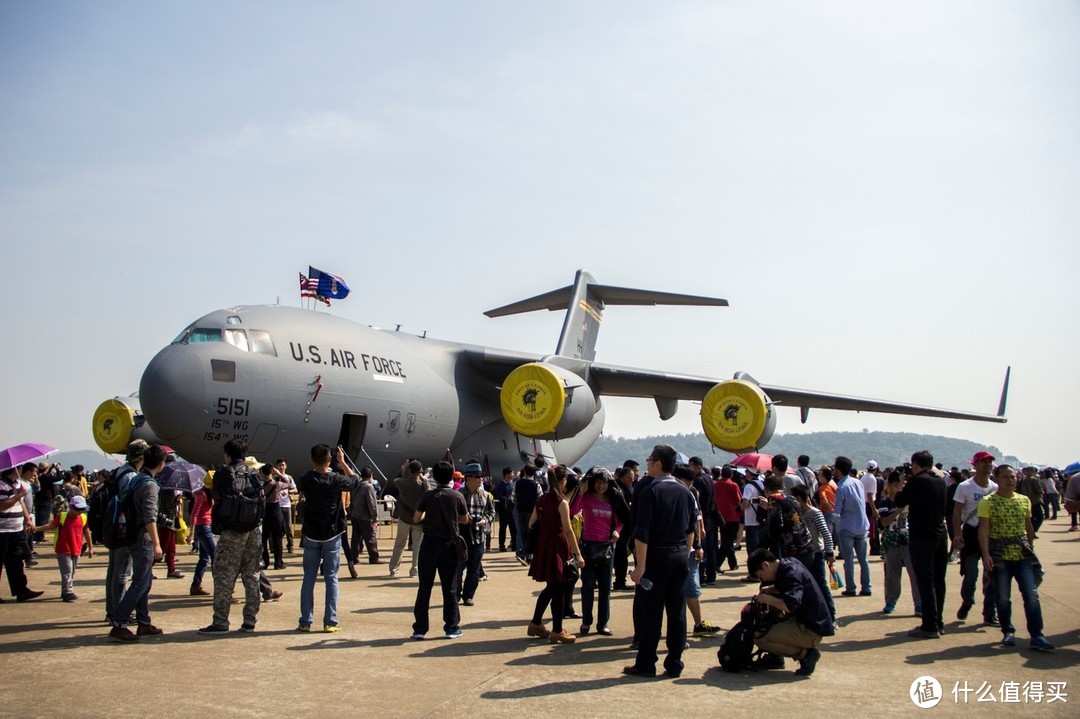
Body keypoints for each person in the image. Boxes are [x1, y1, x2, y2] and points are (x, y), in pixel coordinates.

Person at [623, 445, 696, 678]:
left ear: (657, 463)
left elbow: (642, 533)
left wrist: (640, 567)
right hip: (679, 556)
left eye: (649, 460)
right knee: (677, 612)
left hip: (656, 556)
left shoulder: (649, 492)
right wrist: (685, 553)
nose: (647, 464)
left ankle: (646, 663)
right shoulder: (686, 492)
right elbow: (691, 529)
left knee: (651, 613)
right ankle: (674, 663)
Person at [978, 465, 1054, 651]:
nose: (1010, 480)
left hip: (1022, 555)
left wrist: (1030, 547)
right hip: (1000, 556)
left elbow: (1028, 527)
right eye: (1005, 477)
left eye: (1012, 477)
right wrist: (986, 554)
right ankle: (1008, 631)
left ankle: (1037, 635)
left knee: (1031, 595)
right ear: (997, 479)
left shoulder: (1024, 500)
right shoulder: (988, 502)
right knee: (1003, 597)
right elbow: (984, 529)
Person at [294, 444, 361, 633]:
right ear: (329, 459)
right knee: (331, 578)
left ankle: (305, 620)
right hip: (332, 532)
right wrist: (343, 462)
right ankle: (330, 621)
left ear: (312, 459)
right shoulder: (336, 479)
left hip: (311, 532)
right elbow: (355, 481)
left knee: (309, 577)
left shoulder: (305, 478)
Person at [109, 444, 166, 642]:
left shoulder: (135, 479)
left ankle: (143, 621)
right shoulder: (149, 484)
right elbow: (149, 517)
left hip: (130, 534)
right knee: (141, 582)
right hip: (143, 537)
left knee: (144, 581)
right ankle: (119, 622)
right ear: (161, 464)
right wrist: (157, 543)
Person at [747, 548, 835, 676]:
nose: (763, 579)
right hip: (807, 622)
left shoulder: (791, 573)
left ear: (765, 565)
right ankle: (775, 657)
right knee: (769, 623)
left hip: (810, 630)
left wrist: (767, 598)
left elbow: (790, 605)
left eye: (761, 575)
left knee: (760, 637)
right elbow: (792, 588)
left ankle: (807, 655)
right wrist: (772, 589)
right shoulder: (788, 564)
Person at [526, 462, 584, 645]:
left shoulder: (542, 499)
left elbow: (530, 523)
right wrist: (578, 554)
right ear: (562, 480)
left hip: (544, 545)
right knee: (557, 589)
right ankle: (557, 630)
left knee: (552, 587)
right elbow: (568, 530)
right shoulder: (562, 503)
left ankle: (537, 623)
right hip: (558, 547)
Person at [411, 461, 469, 640]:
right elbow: (465, 519)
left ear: (434, 477)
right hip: (449, 546)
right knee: (449, 588)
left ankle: (420, 628)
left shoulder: (427, 496)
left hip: (429, 545)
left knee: (424, 588)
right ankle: (451, 627)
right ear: (452, 476)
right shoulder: (457, 496)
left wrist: (430, 517)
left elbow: (416, 518)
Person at [895, 450, 949, 639]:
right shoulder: (941, 481)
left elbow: (899, 500)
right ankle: (938, 621)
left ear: (915, 464)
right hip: (941, 535)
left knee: (925, 582)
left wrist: (902, 481)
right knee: (939, 581)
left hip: (922, 537)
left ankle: (929, 625)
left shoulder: (917, 482)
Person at [571, 467, 622, 636]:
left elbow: (621, 520)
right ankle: (586, 621)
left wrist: (617, 531)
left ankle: (603, 624)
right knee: (588, 586)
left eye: (605, 483)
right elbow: (572, 511)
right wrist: (580, 493)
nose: (601, 486)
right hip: (588, 546)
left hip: (606, 547)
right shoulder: (586, 498)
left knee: (605, 588)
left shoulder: (612, 500)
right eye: (599, 482)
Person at [672, 464, 721, 638]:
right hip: (674, 550)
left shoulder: (691, 493)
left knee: (692, 587)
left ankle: (698, 624)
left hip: (689, 551)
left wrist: (698, 546)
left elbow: (696, 520)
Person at [952, 450, 998, 624]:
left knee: (992, 575)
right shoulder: (965, 487)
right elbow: (957, 511)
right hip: (971, 534)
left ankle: (989, 611)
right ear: (975, 465)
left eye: (990, 462)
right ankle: (967, 600)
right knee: (971, 573)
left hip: (990, 535)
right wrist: (957, 534)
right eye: (983, 462)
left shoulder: (995, 488)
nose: (987, 465)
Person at [105, 439, 148, 624]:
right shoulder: (131, 476)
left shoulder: (119, 471)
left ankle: (112, 609)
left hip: (114, 525)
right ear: (141, 457)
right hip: (124, 528)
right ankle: (119, 610)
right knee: (122, 572)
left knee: (114, 570)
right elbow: (130, 503)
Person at [877, 472, 920, 616]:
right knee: (892, 574)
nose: (897, 488)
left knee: (914, 572)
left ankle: (919, 604)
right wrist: (898, 512)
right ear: (889, 486)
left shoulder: (907, 500)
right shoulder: (884, 503)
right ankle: (891, 601)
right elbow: (883, 522)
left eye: (900, 485)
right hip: (891, 539)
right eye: (895, 485)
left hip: (907, 538)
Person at [791, 484, 836, 622]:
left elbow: (826, 534)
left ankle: (831, 615)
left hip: (816, 553)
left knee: (821, 584)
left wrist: (829, 552)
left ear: (799, 498)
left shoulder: (815, 513)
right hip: (802, 554)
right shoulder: (796, 515)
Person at [0, 466, 43, 602]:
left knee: (17, 561)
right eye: (20, 467)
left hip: (17, 529)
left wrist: (28, 519)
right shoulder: (1, 484)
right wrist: (18, 494)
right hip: (3, 530)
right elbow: (1, 505)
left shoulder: (17, 484)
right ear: (14, 469)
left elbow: (21, 503)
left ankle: (21, 590)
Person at [832, 456, 871, 597]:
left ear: (838, 469)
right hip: (862, 525)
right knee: (863, 560)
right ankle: (866, 587)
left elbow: (837, 510)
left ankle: (851, 587)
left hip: (847, 526)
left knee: (848, 560)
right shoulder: (857, 482)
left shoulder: (841, 487)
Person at [457, 463, 494, 606]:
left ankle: (468, 596)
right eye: (477, 477)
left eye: (481, 477)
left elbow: (491, 513)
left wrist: (484, 521)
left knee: (474, 570)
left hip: (478, 537)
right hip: (461, 536)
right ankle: (456, 595)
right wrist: (464, 519)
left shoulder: (485, 495)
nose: (480, 480)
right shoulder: (458, 494)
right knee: (458, 568)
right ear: (468, 478)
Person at [385, 460, 430, 578]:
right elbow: (429, 490)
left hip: (404, 517)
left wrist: (402, 468)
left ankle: (394, 569)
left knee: (399, 544)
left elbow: (395, 479)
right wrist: (422, 476)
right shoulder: (422, 485)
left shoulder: (402, 482)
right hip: (418, 517)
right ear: (420, 471)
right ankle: (415, 570)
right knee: (417, 546)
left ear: (409, 470)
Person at [50, 494, 93, 601]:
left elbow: (87, 533)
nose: (79, 511)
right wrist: (36, 528)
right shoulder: (63, 516)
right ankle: (67, 592)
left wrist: (91, 547)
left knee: (71, 571)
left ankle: (65, 590)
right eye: (77, 509)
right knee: (67, 571)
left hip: (76, 549)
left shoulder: (83, 518)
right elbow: (51, 526)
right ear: (71, 506)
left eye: (82, 509)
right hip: (63, 548)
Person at [610, 464, 636, 590]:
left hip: (625, 525)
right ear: (625, 477)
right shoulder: (616, 488)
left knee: (622, 554)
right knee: (620, 554)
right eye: (632, 477)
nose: (633, 479)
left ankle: (620, 580)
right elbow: (621, 508)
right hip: (619, 526)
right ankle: (619, 581)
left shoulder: (627, 487)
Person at [713, 464, 742, 573]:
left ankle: (733, 563)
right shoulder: (733, 485)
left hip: (720, 516)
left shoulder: (716, 485)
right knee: (727, 542)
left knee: (726, 540)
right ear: (731, 474)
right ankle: (717, 563)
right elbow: (738, 501)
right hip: (732, 516)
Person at [189, 472, 214, 596]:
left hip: (205, 527)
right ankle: (223, 589)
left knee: (204, 558)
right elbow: (195, 513)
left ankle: (195, 585)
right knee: (215, 557)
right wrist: (191, 533)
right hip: (203, 528)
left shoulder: (208, 494)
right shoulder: (202, 494)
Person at [349, 466, 381, 564]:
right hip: (365, 516)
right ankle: (374, 557)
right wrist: (375, 517)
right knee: (370, 537)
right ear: (370, 475)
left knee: (355, 538)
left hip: (355, 514)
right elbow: (372, 503)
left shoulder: (357, 485)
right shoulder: (369, 486)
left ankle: (354, 557)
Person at [513, 465, 541, 565]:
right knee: (531, 534)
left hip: (520, 511)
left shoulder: (517, 483)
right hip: (532, 511)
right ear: (534, 473)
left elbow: (513, 498)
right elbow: (540, 498)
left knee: (522, 533)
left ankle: (523, 554)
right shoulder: (536, 484)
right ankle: (527, 555)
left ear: (524, 471)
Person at [274, 459, 296, 553]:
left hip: (286, 504)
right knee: (276, 527)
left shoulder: (289, 478)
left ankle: (290, 546)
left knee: (288, 527)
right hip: (276, 505)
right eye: (279, 465)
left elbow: (295, 489)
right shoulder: (274, 478)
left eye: (283, 465)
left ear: (286, 466)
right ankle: (274, 546)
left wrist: (289, 492)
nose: (281, 467)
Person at [493, 467, 517, 552]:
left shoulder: (513, 484)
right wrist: (508, 500)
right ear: (507, 475)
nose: (513, 475)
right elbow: (499, 497)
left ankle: (514, 544)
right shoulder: (500, 485)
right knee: (503, 528)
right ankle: (501, 545)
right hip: (504, 510)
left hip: (512, 510)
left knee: (513, 528)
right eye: (511, 473)